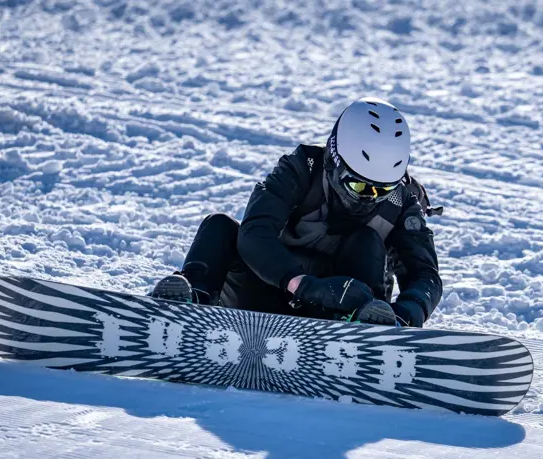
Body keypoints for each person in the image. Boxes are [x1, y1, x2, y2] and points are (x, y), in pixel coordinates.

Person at [150, 97, 442, 327]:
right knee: (219, 226)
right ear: (335, 161)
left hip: (339, 316)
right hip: (266, 289)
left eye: (382, 190)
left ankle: (365, 333)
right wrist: (302, 285)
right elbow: (255, 233)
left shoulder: (401, 202)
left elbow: (425, 275)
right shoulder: (302, 168)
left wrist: (404, 316)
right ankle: (187, 309)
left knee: (366, 240)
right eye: (359, 186)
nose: (370, 197)